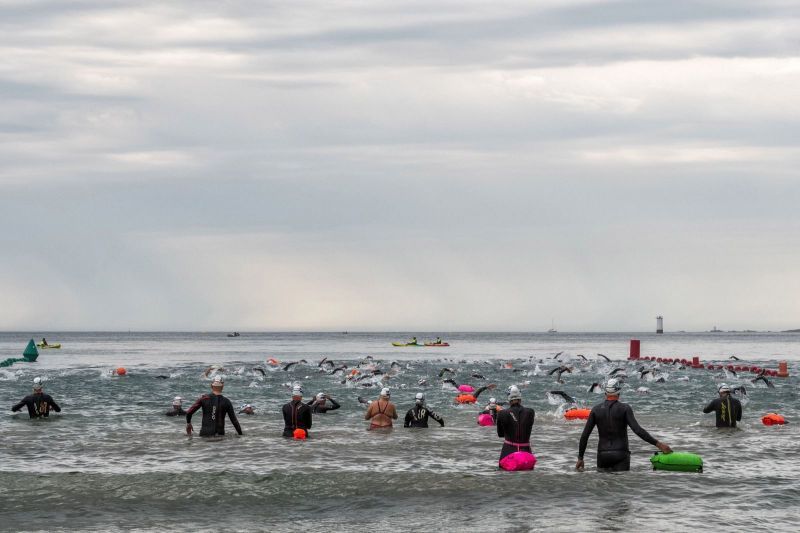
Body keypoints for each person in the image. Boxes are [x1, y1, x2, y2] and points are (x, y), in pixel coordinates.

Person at [576, 378, 671, 472]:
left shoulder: (595, 410)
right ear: (618, 393)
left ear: (605, 393)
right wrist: (659, 444)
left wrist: (580, 458)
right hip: (621, 454)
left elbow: (585, 435)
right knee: (620, 485)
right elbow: (637, 430)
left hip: (602, 455)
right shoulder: (625, 408)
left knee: (603, 485)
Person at [496, 386, 534, 460]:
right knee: (527, 470)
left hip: (508, 451)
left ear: (508, 398)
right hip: (526, 452)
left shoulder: (501, 413)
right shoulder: (530, 412)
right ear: (520, 398)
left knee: (502, 471)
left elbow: (500, 434)